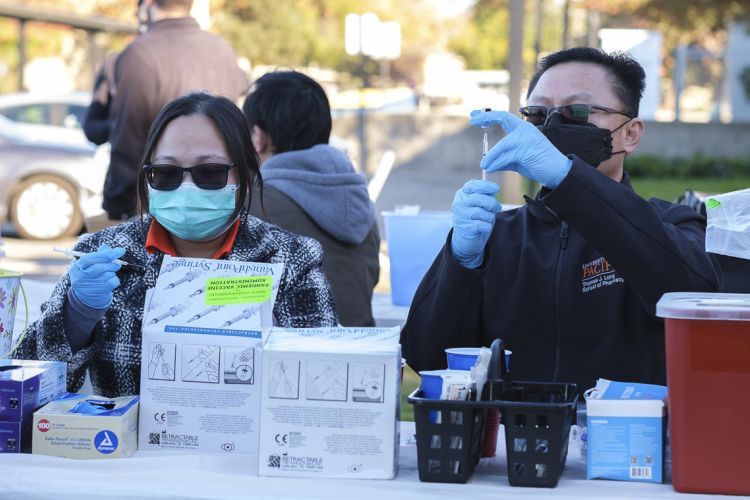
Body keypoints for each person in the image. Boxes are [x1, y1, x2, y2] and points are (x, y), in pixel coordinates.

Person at [400, 48, 720, 394]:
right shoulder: (498, 236)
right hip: (512, 443)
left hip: (627, 441)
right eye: (538, 114)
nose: (552, 126)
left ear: (631, 134)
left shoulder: (672, 225)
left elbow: (698, 297)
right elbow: (427, 358)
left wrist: (570, 180)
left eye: (578, 111)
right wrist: (460, 265)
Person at [14, 93, 337, 397]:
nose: (186, 188)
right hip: (125, 450)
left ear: (246, 171)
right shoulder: (104, 255)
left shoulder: (290, 260)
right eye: (166, 173)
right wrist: (77, 315)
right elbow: (25, 388)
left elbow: (323, 382)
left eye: (209, 172)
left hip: (245, 452)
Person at [243, 71, 380, 327]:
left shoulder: (252, 206)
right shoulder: (361, 204)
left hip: (289, 361)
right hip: (364, 355)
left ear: (258, 138)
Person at [102, 0, 249, 222]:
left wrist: (118, 204)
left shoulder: (139, 54)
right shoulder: (222, 49)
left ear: (148, 4)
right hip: (218, 195)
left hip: (158, 199)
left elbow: (128, 138)